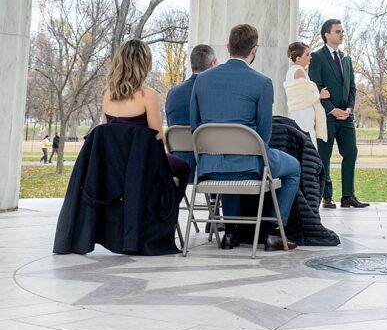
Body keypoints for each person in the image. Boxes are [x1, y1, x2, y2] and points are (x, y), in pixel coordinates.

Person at [190, 23, 301, 252]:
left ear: (228, 47)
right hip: (250, 165)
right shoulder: (262, 82)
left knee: (228, 164)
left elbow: (195, 127)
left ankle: (231, 233)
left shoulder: (201, 80)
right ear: (254, 50)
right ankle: (273, 233)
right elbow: (264, 134)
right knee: (295, 168)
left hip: (210, 166)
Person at [102, 39, 190, 206]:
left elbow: (107, 134)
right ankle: (164, 212)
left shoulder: (107, 94)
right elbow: (158, 138)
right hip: (142, 163)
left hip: (114, 163)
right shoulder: (147, 95)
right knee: (183, 167)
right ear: (145, 63)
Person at [309, 18, 369, 209]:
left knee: (351, 152)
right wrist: (332, 109)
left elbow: (352, 88)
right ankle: (327, 196)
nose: (342, 34)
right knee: (324, 157)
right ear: (327, 35)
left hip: (346, 117)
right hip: (327, 116)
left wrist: (349, 109)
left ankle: (348, 196)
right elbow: (315, 87)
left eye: (342, 31)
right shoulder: (317, 57)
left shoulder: (347, 59)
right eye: (338, 31)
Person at [165, 44, 217, 174]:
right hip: (207, 165)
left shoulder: (173, 93)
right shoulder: (214, 93)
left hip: (179, 162)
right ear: (212, 64)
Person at [283, 41, 329, 148]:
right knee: (306, 146)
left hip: (301, 113)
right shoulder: (298, 71)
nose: (310, 57)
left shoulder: (294, 70)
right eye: (307, 55)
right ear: (298, 58)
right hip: (302, 114)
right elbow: (307, 96)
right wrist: (320, 94)